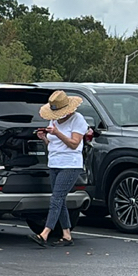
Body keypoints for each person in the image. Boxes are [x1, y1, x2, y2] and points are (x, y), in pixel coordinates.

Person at [33, 90, 88, 248]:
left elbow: (74, 144)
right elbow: (53, 145)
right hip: (55, 162)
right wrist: (44, 137)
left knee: (56, 198)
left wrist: (57, 133)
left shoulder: (78, 120)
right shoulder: (54, 120)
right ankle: (66, 234)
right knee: (60, 199)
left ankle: (45, 233)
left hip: (70, 164)